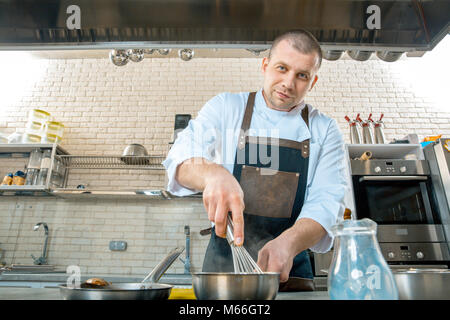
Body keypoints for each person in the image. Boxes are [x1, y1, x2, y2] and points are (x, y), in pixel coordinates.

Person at [163, 30, 348, 289]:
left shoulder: (324, 129)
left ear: (312, 82)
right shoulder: (226, 108)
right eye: (281, 68)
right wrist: (213, 174)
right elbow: (180, 159)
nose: (288, 83)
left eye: (301, 76)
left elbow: (327, 205)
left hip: (290, 270)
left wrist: (289, 243)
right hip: (223, 270)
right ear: (265, 65)